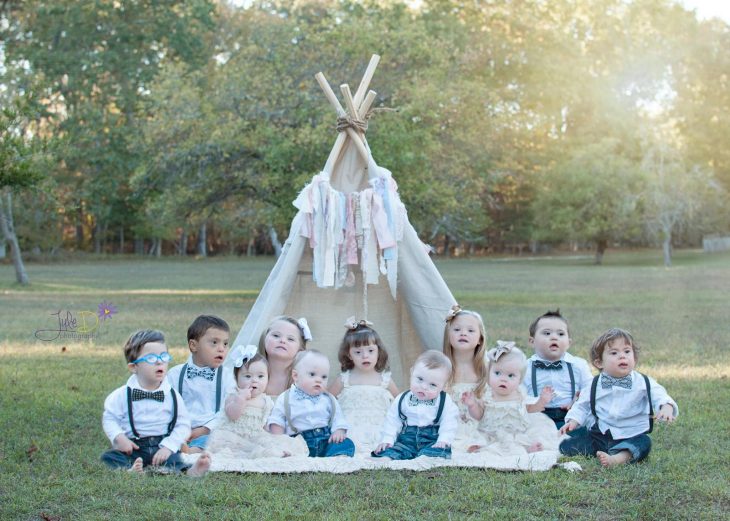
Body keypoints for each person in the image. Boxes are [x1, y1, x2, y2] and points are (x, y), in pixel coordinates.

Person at [559, 328, 678, 467]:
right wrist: (573, 421)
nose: (622, 356)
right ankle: (554, 447)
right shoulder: (594, 384)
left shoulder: (643, 382)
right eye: (614, 353)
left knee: (644, 443)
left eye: (627, 351)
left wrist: (667, 406)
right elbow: (582, 405)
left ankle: (618, 458)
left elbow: (659, 394)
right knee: (570, 441)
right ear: (599, 363)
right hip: (599, 435)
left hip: (631, 434)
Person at [101, 329, 209, 476]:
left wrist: (169, 446)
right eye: (151, 358)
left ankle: (190, 471)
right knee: (109, 457)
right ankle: (131, 470)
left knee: (176, 458)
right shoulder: (121, 395)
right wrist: (119, 437)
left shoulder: (172, 395)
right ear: (134, 367)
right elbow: (110, 418)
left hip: (162, 445)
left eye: (163, 357)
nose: (159, 361)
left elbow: (183, 424)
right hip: (134, 446)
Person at [206, 345, 308, 459]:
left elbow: (265, 425)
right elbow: (233, 415)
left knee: (269, 442)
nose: (254, 380)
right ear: (236, 379)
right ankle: (270, 453)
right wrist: (241, 399)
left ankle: (278, 452)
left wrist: (272, 436)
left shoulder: (266, 401)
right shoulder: (233, 395)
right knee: (241, 450)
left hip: (255, 436)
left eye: (260, 376)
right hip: (232, 436)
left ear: (267, 379)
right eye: (248, 376)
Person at [462, 341, 559, 456]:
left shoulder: (519, 395)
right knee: (483, 438)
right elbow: (478, 415)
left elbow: (531, 409)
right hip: (491, 431)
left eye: (510, 375)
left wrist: (542, 400)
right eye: (497, 373)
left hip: (516, 431)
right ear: (488, 374)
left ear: (519, 380)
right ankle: (481, 448)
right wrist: (472, 405)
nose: (503, 379)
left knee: (522, 438)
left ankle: (528, 448)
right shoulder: (487, 396)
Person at [371, 350, 459, 461]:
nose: (424, 387)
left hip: (432, 439)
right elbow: (393, 420)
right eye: (420, 379)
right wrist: (388, 439)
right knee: (396, 449)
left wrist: (444, 439)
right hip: (407, 438)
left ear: (443, 386)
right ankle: (388, 457)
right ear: (412, 372)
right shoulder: (403, 398)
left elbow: (449, 421)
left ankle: (427, 457)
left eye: (432, 385)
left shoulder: (444, 401)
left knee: (439, 451)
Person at [328, 317, 398, 454]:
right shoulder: (344, 379)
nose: (365, 356)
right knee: (343, 448)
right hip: (350, 429)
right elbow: (328, 401)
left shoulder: (385, 379)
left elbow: (400, 402)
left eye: (370, 351)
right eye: (358, 352)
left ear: (378, 351)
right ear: (349, 354)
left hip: (379, 428)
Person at [267, 350, 355, 457]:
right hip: (298, 442)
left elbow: (338, 417)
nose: (319, 380)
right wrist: (280, 440)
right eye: (312, 374)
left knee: (347, 443)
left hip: (325, 440)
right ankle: (292, 455)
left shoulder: (328, 399)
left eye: (324, 377)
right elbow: (277, 420)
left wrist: (339, 431)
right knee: (286, 448)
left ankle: (334, 455)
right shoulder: (285, 398)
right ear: (295, 376)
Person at [167, 315, 234, 453]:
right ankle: (177, 446)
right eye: (214, 342)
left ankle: (191, 451)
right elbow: (167, 404)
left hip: (209, 430)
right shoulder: (175, 374)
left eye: (225, 344)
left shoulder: (227, 377)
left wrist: (204, 429)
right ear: (193, 345)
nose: (221, 348)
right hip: (180, 428)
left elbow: (226, 411)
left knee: (220, 439)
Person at [522, 310, 593, 429]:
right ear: (532, 341)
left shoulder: (579, 365)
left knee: (579, 434)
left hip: (569, 416)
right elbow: (518, 394)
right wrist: (535, 403)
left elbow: (590, 391)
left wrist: (576, 402)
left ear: (569, 343)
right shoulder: (524, 368)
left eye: (560, 334)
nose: (554, 337)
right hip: (537, 417)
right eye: (547, 333)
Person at [442, 305, 489, 452]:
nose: (463, 333)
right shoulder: (441, 369)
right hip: (448, 425)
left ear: (480, 339)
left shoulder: (485, 370)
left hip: (478, 424)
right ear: (448, 337)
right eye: (457, 330)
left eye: (470, 330)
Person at [258, 316, 311, 397]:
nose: (282, 340)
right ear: (264, 338)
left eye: (290, 339)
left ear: (300, 349)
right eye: (276, 335)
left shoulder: (302, 381)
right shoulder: (249, 372)